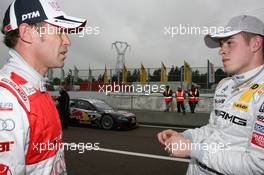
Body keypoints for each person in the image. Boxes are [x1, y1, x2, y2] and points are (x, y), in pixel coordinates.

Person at [157, 15, 264, 175]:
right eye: (221, 44)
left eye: (230, 42)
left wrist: (191, 149)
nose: (222, 50)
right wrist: (185, 136)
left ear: (255, 44)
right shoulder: (225, 86)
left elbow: (257, 166)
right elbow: (214, 129)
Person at [0, 0, 86, 174]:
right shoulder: (6, 100)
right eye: (60, 32)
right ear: (27, 33)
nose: (67, 41)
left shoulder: (36, 89)